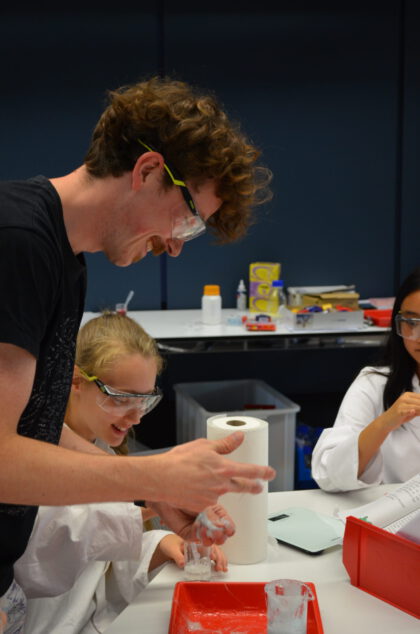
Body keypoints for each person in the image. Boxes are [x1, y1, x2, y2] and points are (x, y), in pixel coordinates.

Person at [0, 74, 274, 631]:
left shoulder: (65, 259)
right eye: (188, 221)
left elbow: (36, 425)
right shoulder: (18, 241)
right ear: (147, 171)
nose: (175, 246)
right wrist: (153, 476)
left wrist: (153, 492)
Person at [14, 312, 228, 633]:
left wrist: (161, 546)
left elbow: (103, 569)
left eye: (144, 401)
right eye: (122, 399)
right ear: (75, 381)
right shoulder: (31, 454)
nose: (136, 417)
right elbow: (39, 560)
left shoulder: (103, 447)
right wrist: (154, 504)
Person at [312, 267, 420, 492]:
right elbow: (329, 474)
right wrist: (383, 424)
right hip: (392, 509)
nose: (418, 336)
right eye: (411, 322)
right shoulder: (374, 384)